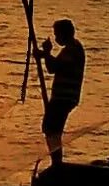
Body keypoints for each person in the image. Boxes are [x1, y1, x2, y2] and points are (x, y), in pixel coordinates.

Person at [35, 18, 85, 167]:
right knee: (51, 128)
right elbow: (52, 68)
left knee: (51, 128)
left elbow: (56, 66)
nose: (56, 38)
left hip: (65, 97)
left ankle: (57, 163)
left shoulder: (73, 49)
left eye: (57, 35)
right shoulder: (69, 49)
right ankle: (56, 162)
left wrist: (46, 54)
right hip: (62, 97)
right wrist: (45, 55)